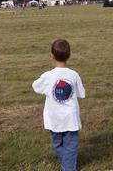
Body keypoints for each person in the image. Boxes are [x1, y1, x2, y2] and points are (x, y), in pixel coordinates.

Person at [32, 39, 86, 171]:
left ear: (52, 55)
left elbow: (36, 86)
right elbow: (81, 94)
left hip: (54, 118)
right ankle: (68, 165)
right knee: (70, 146)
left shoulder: (48, 76)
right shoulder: (73, 75)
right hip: (70, 118)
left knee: (58, 144)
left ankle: (68, 167)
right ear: (70, 55)